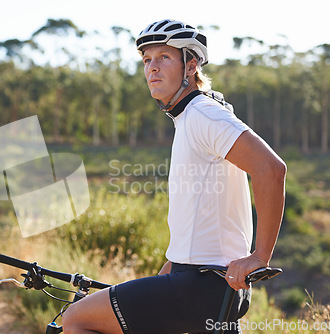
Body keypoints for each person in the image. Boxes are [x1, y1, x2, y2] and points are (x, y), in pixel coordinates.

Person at [62, 19, 287, 334]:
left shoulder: (203, 114)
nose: (152, 68)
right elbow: (198, 223)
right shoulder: (188, 119)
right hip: (202, 283)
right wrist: (165, 273)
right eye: (146, 60)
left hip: (202, 286)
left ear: (191, 65)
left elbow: (271, 169)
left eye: (164, 57)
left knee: (76, 319)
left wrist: (260, 256)